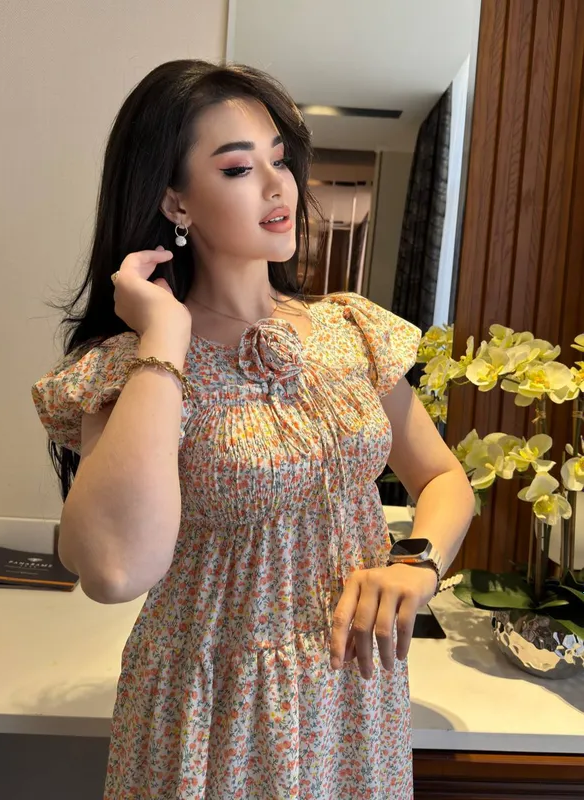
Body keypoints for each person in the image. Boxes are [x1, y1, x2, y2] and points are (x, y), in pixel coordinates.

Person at [31, 59, 475, 800]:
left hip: (352, 691)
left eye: (280, 159)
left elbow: (443, 476)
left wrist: (417, 563)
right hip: (214, 703)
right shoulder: (134, 366)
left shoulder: (349, 332)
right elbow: (110, 570)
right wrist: (165, 335)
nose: (278, 186)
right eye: (239, 168)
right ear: (176, 201)